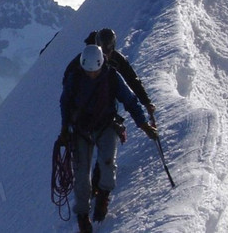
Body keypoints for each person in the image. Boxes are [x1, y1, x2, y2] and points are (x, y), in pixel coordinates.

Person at [59, 43, 158, 233]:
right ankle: (82, 214)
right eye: (89, 72)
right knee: (81, 173)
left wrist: (143, 124)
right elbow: (65, 102)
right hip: (81, 129)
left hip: (105, 125)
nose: (92, 75)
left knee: (107, 163)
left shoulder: (112, 77)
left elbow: (130, 100)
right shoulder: (76, 77)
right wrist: (65, 128)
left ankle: (103, 195)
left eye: (95, 71)